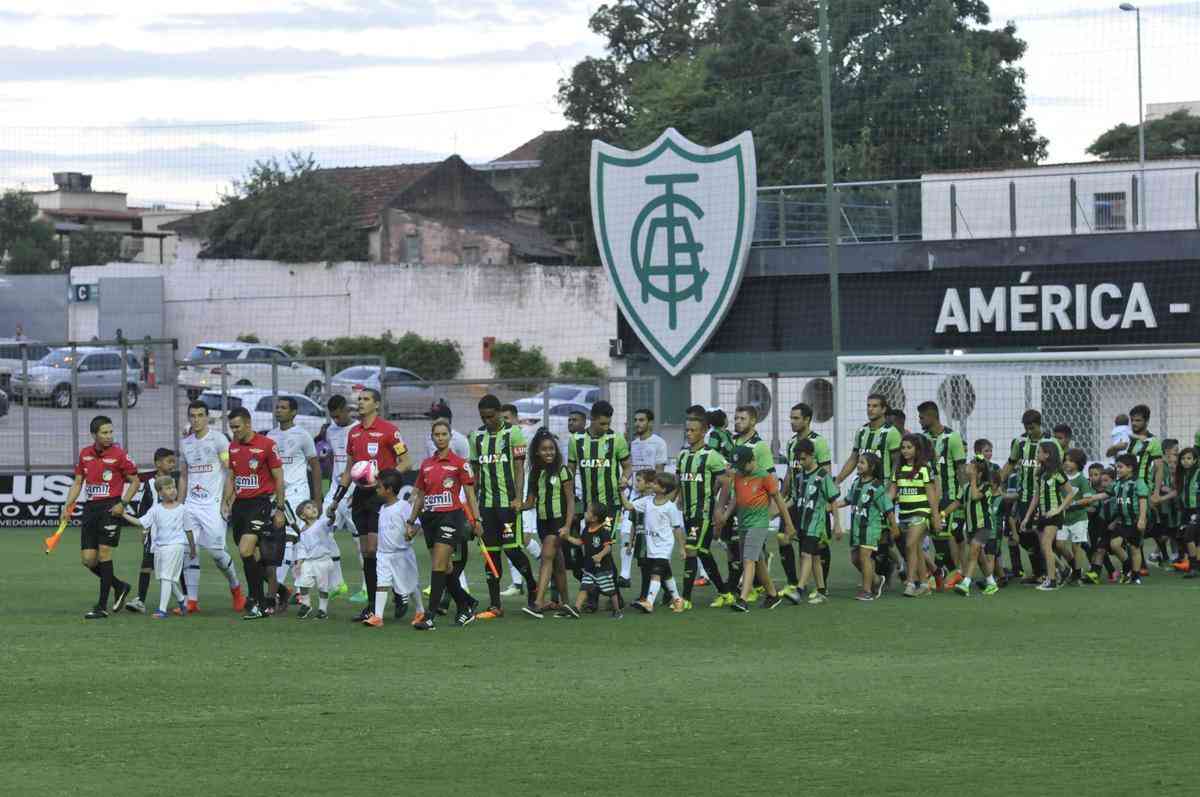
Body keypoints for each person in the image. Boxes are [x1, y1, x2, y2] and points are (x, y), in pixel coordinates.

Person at [326, 388, 410, 622]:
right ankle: (374, 605)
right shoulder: (353, 434)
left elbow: (406, 461)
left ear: (377, 404)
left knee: (377, 549)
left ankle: (399, 593)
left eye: (365, 399)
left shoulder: (389, 431)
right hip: (360, 497)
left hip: (380, 497)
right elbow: (348, 471)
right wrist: (335, 500)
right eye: (359, 400)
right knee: (367, 553)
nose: (360, 403)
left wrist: (386, 481)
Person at [63, 415, 140, 619]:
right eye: (104, 432)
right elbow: (78, 482)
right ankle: (119, 586)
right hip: (90, 509)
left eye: (110, 431)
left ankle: (101, 607)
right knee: (89, 560)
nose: (109, 436)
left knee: (104, 553)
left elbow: (135, 481)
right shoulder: (85, 454)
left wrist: (122, 504)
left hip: (110, 508)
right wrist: (68, 505)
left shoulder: (119, 455)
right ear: (94, 435)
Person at [470, 394, 539, 618]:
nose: (487, 420)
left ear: (499, 413)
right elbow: (476, 475)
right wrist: (474, 506)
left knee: (511, 549)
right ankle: (495, 605)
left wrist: (518, 498)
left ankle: (532, 584)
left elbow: (519, 469)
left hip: (507, 504)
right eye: (483, 417)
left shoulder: (513, 433)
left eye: (490, 416)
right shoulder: (477, 437)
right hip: (487, 506)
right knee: (489, 554)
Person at [406, 423, 480, 628]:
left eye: (443, 434)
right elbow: (420, 496)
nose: (440, 438)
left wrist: (477, 520)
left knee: (438, 565)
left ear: (450, 437)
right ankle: (467, 604)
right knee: (446, 569)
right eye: (436, 435)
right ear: (432, 438)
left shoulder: (460, 464)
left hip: (451, 517)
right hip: (429, 519)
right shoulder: (426, 465)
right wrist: (412, 522)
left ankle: (429, 617)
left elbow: (471, 495)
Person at [177, 401, 245, 613]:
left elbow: (230, 471)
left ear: (207, 417)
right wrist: (179, 505)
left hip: (213, 505)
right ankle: (192, 601)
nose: (196, 419)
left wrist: (228, 500)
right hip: (191, 505)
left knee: (217, 553)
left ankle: (235, 587)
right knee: (188, 550)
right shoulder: (185, 443)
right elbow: (184, 476)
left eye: (200, 415)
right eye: (192, 416)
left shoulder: (218, 439)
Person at [568, 399, 632, 609]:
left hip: (610, 506)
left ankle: (599, 596)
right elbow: (569, 470)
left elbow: (627, 466)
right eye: (602, 424)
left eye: (608, 423)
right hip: (588, 507)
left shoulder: (616, 439)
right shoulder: (576, 440)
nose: (606, 427)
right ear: (592, 420)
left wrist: (625, 478)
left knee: (602, 548)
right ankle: (606, 594)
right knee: (588, 550)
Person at [223, 406, 286, 619]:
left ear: (249, 424)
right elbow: (231, 476)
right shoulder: (232, 447)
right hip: (240, 506)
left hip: (260, 504)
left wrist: (279, 508)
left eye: (237, 427)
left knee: (245, 549)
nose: (235, 431)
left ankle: (259, 602)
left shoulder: (267, 445)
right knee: (252, 556)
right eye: (231, 428)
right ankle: (279, 592)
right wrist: (226, 501)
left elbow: (278, 478)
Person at [268, 396, 325, 608]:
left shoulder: (302, 435)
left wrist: (317, 498)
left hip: (298, 492)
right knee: (287, 543)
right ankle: (296, 590)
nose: (279, 410)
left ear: (293, 412)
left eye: (284, 408)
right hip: (278, 495)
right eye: (277, 407)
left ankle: (277, 591)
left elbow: (315, 466)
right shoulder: (270, 436)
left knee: (289, 539)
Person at [719, 445, 791, 612]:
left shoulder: (765, 476)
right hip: (743, 524)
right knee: (758, 563)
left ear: (752, 461)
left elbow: (779, 500)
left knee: (748, 560)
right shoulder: (737, 475)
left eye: (742, 465)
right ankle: (773, 595)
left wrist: (788, 523)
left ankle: (743, 599)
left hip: (759, 524)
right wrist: (725, 515)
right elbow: (736, 498)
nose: (739, 469)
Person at [676, 413, 734, 609]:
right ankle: (725, 592)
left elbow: (726, 483)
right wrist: (678, 501)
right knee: (703, 552)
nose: (689, 433)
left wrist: (719, 508)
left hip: (704, 513)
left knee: (691, 550)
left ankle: (685, 599)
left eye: (693, 430)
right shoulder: (683, 455)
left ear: (703, 432)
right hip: (688, 514)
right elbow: (680, 482)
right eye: (687, 430)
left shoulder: (712, 456)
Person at [120, 475, 195, 619]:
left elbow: (189, 530)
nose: (172, 491)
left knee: (166, 578)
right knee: (163, 578)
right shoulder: (156, 510)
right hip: (159, 547)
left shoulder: (182, 509)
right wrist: (123, 514)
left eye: (173, 487)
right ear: (160, 493)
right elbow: (141, 522)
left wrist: (192, 548)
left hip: (175, 547)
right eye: (167, 488)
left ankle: (162, 610)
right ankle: (181, 601)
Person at [361, 469, 428, 629]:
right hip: (384, 555)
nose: (376, 489)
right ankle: (378, 616)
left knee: (410, 584)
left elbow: (416, 523)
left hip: (402, 554)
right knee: (382, 583)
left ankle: (420, 611)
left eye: (379, 487)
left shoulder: (403, 506)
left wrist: (411, 533)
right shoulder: (382, 508)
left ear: (389, 489)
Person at [997, 409, 1058, 584]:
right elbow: (1011, 463)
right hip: (1024, 497)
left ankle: (1051, 572)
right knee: (1024, 535)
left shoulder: (1050, 442)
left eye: (1032, 427)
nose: (1029, 431)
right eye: (1026, 428)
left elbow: (1056, 468)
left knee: (1043, 536)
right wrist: (997, 482)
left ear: (1039, 424)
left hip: (1043, 498)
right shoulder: (1020, 442)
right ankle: (1039, 572)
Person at [780, 402, 833, 602]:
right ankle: (794, 583)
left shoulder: (818, 443)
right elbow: (788, 474)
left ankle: (816, 587)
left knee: (816, 548)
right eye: (791, 418)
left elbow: (826, 473)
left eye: (796, 418)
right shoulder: (791, 443)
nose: (792, 422)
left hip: (814, 505)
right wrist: (780, 497)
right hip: (796, 501)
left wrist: (827, 504)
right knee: (784, 539)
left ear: (807, 419)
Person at [523, 429, 575, 618]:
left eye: (551, 449)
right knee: (558, 565)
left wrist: (567, 526)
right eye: (544, 449)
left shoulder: (563, 471)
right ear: (537, 452)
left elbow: (570, 501)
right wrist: (515, 508)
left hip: (558, 522)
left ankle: (537, 602)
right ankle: (567, 604)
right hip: (542, 522)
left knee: (546, 557)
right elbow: (530, 502)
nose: (549, 452)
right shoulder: (535, 473)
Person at [836, 452, 898, 602]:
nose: (858, 465)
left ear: (872, 467)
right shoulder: (857, 482)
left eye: (862, 463)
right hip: (857, 528)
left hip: (871, 528)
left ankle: (867, 591)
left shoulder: (877, 487)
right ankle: (876, 580)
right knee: (855, 559)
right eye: (858, 462)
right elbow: (848, 500)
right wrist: (832, 506)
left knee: (864, 557)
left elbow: (888, 509)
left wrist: (894, 527)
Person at [788, 438, 842, 605]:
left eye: (804, 459)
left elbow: (833, 500)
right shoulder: (799, 477)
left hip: (816, 525)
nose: (801, 462)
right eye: (799, 460)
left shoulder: (822, 476)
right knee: (816, 558)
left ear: (812, 456)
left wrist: (837, 524)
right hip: (803, 524)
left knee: (806, 555)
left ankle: (799, 589)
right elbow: (793, 500)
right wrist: (776, 512)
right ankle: (821, 591)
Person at [727, 404, 773, 598]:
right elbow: (729, 475)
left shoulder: (760, 446)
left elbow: (769, 478)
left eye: (742, 418)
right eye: (736, 418)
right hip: (737, 505)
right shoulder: (733, 442)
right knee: (736, 549)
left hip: (755, 510)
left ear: (753, 421)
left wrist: (767, 512)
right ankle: (769, 592)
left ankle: (745, 593)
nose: (738, 422)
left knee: (749, 555)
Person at [918, 401, 966, 589]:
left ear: (932, 417)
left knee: (946, 534)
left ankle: (954, 573)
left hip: (950, 494)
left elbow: (961, 468)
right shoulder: (922, 439)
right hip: (930, 494)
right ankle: (941, 572)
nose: (920, 420)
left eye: (922, 417)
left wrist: (963, 494)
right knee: (933, 534)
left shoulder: (952, 438)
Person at [125, 447, 179, 614]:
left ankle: (184, 601)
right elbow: (144, 507)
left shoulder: (176, 481)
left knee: (174, 567)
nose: (172, 465)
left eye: (173, 462)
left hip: (173, 531)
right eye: (169, 461)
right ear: (157, 463)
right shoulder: (149, 483)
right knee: (147, 565)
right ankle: (141, 600)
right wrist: (144, 529)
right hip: (154, 531)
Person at [623, 472, 685, 613]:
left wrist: (681, 548)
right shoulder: (647, 501)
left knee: (655, 573)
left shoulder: (670, 507)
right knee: (666, 574)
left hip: (664, 545)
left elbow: (677, 529)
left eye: (656, 483)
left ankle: (649, 602)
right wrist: (621, 491)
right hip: (652, 545)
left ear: (663, 489)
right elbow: (628, 506)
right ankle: (677, 600)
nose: (652, 484)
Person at [318, 395, 361, 601]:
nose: (336, 420)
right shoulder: (330, 430)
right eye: (332, 417)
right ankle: (338, 583)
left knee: (361, 541)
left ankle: (366, 588)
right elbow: (333, 457)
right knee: (322, 531)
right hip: (336, 489)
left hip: (356, 490)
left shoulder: (359, 429)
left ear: (346, 410)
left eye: (338, 415)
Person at [620, 408, 668, 588]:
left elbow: (660, 472)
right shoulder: (633, 444)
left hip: (650, 496)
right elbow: (630, 467)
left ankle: (663, 585)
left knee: (651, 539)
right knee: (625, 530)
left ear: (650, 422)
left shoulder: (659, 443)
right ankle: (624, 575)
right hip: (634, 494)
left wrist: (654, 492)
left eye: (641, 420)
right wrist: (625, 480)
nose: (637, 424)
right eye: (636, 420)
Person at [498, 402, 541, 598]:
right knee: (510, 539)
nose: (503, 422)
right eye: (502, 418)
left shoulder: (523, 435)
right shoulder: (499, 437)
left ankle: (547, 564)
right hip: (508, 495)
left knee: (523, 538)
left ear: (515, 418)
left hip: (524, 494)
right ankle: (517, 583)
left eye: (507, 418)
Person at [1020, 441, 1076, 591]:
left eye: (1039, 452)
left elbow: (1070, 493)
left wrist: (1058, 509)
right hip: (1043, 515)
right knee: (1045, 547)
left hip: (1053, 515)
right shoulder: (1041, 473)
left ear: (1047, 454)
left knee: (1046, 545)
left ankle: (1051, 581)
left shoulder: (1057, 473)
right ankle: (1063, 569)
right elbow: (1036, 497)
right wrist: (1027, 517)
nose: (1037, 455)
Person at [894, 433, 941, 597]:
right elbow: (891, 494)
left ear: (917, 449)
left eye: (909, 447)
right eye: (903, 448)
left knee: (909, 544)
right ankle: (924, 584)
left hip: (921, 513)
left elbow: (931, 495)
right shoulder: (898, 470)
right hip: (904, 515)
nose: (905, 451)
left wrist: (936, 517)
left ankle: (910, 582)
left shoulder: (924, 469)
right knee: (917, 549)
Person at [946, 460, 1000, 596]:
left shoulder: (986, 486)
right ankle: (992, 584)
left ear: (979, 473)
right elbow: (957, 502)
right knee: (980, 557)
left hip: (983, 526)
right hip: (971, 527)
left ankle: (966, 583)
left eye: (971, 467)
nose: (967, 468)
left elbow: (976, 497)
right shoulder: (966, 487)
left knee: (973, 551)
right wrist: (942, 513)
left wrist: (974, 480)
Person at [562, 504, 622, 619]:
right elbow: (580, 542)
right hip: (589, 567)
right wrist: (567, 537)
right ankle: (576, 609)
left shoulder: (603, 531)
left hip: (603, 568)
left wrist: (600, 555)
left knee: (610, 590)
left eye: (588, 512)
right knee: (584, 587)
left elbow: (608, 547)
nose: (585, 513)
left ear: (594, 518)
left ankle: (617, 610)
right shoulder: (586, 529)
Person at [1101, 453, 1149, 584]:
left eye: (1121, 467)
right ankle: (1128, 565)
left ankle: (1136, 575)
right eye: (1117, 467)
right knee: (1114, 545)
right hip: (1122, 521)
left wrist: (1142, 519)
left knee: (1134, 548)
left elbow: (1143, 501)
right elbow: (1105, 494)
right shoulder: (1117, 484)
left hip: (1135, 521)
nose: (1118, 470)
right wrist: (1088, 499)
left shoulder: (1138, 482)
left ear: (1130, 468)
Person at [836, 393, 902, 486]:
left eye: (875, 406)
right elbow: (854, 458)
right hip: (862, 485)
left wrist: (891, 486)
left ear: (883, 409)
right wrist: (838, 480)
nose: (870, 409)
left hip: (882, 486)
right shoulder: (861, 431)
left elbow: (897, 463)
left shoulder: (892, 432)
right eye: (868, 406)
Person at [1060, 449, 1102, 584]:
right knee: (1059, 544)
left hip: (1079, 518)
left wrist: (1072, 503)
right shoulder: (1061, 477)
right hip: (1063, 518)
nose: (1067, 463)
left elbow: (1088, 499)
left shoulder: (1082, 480)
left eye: (1071, 461)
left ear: (1079, 463)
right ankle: (1074, 566)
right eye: (1066, 460)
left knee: (1076, 546)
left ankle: (1076, 574)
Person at [292, 500, 339, 620]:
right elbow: (302, 549)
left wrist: (331, 515)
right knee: (302, 583)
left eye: (314, 506)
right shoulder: (302, 531)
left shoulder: (322, 523)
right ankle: (306, 604)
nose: (313, 508)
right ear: (302, 516)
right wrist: (298, 563)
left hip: (323, 561)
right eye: (308, 508)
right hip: (308, 562)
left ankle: (322, 610)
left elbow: (330, 521)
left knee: (323, 587)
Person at [1175, 447, 1199, 577]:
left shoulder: (1198, 473)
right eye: (1183, 458)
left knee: (1189, 535)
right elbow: (1179, 492)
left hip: (1197, 510)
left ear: (1195, 460)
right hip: (1186, 510)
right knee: (1181, 535)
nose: (1185, 461)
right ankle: (1193, 563)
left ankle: (1193, 567)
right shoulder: (1183, 474)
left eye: (1189, 458)